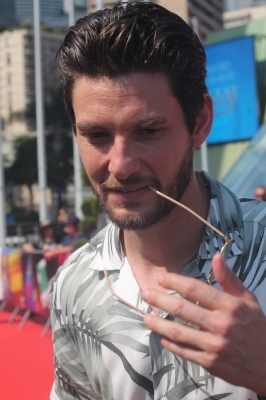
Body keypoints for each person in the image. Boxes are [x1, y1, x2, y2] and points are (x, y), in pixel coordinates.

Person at [50, 3, 266, 399]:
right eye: (96, 135)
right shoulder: (73, 284)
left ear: (199, 122)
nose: (121, 165)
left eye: (148, 130)